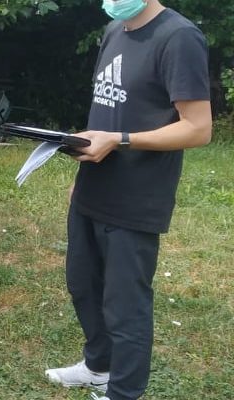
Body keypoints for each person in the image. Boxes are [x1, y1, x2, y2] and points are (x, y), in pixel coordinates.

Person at [44, 1, 212, 400]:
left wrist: (121, 141)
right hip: (94, 187)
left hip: (137, 196)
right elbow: (108, 111)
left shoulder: (179, 37)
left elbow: (198, 128)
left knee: (125, 305)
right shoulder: (114, 31)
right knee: (83, 286)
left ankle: (124, 392)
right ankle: (98, 368)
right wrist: (82, 172)